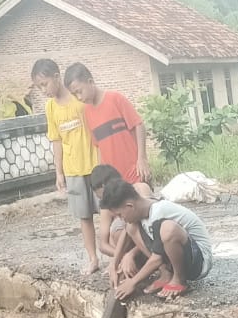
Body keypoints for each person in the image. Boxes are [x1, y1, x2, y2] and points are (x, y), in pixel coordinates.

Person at [33, 57, 102, 275]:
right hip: (73, 170)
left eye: (44, 84)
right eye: (39, 87)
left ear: (56, 77)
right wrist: (59, 172)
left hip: (95, 165)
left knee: (111, 210)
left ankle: (120, 255)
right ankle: (93, 258)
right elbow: (56, 140)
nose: (43, 90)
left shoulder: (79, 100)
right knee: (84, 216)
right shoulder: (51, 107)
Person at [97, 178, 213, 301]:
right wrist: (115, 264)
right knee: (131, 227)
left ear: (130, 206)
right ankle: (166, 274)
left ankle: (179, 280)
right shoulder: (142, 209)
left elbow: (157, 258)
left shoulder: (159, 212)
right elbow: (126, 232)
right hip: (181, 256)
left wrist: (133, 282)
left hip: (198, 262)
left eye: (120, 215)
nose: (121, 219)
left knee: (168, 229)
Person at [63, 63, 150, 189]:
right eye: (74, 95)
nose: (79, 98)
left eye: (79, 91)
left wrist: (142, 159)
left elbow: (139, 125)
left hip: (134, 173)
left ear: (90, 81)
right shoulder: (87, 112)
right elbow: (99, 146)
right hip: (113, 181)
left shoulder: (115, 99)